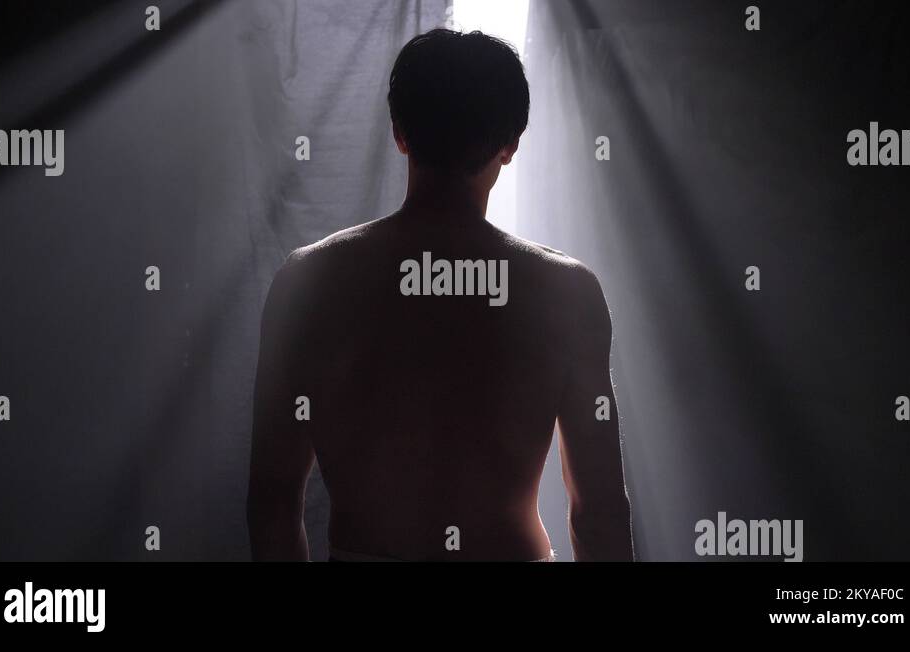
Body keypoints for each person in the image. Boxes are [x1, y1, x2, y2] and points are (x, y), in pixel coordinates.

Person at [248, 28, 632, 561]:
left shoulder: (308, 282)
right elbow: (599, 510)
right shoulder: (567, 292)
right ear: (511, 144)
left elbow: (271, 503)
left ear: (399, 132)